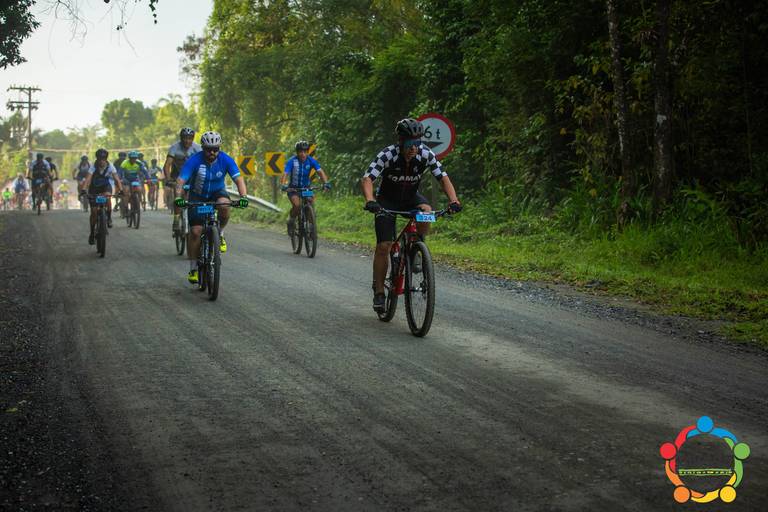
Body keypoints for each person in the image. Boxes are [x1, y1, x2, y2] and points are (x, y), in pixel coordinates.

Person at [361, 118, 462, 312]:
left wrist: (454, 200)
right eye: (409, 143)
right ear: (400, 142)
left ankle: (418, 246)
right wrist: (370, 200)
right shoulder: (388, 154)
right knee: (384, 246)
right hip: (387, 200)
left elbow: (443, 177)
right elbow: (367, 179)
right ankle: (379, 291)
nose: (413, 148)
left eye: (417, 143)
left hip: (410, 197)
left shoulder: (425, 154)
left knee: (426, 210)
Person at [174, 131, 248, 284]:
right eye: (208, 149)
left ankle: (220, 233)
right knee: (195, 231)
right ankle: (193, 268)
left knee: (224, 205)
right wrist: (178, 198)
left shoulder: (226, 159)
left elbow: (239, 179)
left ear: (219, 148)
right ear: (203, 148)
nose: (212, 152)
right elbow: (181, 181)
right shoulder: (194, 160)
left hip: (217, 192)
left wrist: (244, 197)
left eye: (215, 149)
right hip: (197, 195)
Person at [280, 140, 331, 236]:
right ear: (297, 152)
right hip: (293, 189)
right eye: (300, 151)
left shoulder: (311, 160)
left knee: (310, 202)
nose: (303, 154)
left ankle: (311, 226)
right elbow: (285, 173)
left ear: (307, 152)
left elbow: (320, 172)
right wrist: (283, 185)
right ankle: (291, 221)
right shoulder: (292, 161)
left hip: (306, 188)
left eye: (305, 151)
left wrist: (326, 183)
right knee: (297, 205)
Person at [80, 148, 124, 244]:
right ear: (97, 159)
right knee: (94, 212)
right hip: (94, 188)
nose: (101, 161)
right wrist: (83, 190)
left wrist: (121, 190)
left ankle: (109, 218)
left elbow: (117, 179)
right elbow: (88, 179)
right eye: (100, 159)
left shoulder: (111, 166)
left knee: (108, 198)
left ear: (106, 159)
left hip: (105, 187)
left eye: (103, 159)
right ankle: (92, 233)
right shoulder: (93, 166)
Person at [165, 127, 202, 233]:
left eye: (190, 138)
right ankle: (176, 219)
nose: (187, 141)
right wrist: (168, 179)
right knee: (178, 196)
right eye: (185, 138)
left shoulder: (198, 148)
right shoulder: (174, 148)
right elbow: (167, 165)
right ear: (181, 138)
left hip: (193, 177)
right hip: (178, 177)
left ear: (193, 139)